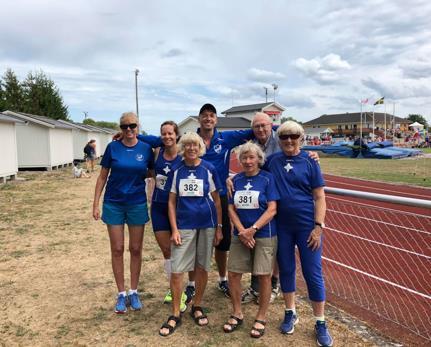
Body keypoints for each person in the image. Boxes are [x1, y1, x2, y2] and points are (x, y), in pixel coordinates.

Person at [136, 103, 255, 297]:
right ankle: (190, 283)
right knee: (188, 245)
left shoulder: (226, 138)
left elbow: (257, 131)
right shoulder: (189, 139)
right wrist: (132, 134)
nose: (208, 119)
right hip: (190, 201)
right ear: (199, 119)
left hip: (218, 195)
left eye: (211, 115)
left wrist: (281, 129)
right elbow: (161, 139)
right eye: (204, 115)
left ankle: (222, 279)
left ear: (216, 119)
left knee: (221, 243)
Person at [264, 121, 333, 347]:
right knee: (286, 269)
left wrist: (318, 226)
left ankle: (320, 321)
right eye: (284, 137)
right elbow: (252, 172)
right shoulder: (273, 161)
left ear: (301, 138)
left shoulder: (310, 161)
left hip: (306, 227)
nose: (289, 141)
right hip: (281, 226)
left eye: (294, 136)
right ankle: (290, 311)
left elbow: (320, 197)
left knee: (313, 272)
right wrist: (231, 179)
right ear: (279, 140)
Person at [159, 132, 223, 336]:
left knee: (202, 266)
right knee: (177, 270)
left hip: (207, 225)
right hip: (184, 225)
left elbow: (217, 200)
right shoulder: (177, 170)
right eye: (187, 145)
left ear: (200, 147)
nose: (192, 148)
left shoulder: (209, 168)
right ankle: (175, 313)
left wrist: (219, 227)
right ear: (183, 148)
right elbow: (171, 202)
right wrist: (174, 229)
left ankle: (197, 305)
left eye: (195, 145)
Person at [92, 112, 154, 314]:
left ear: (138, 126)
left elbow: (153, 174)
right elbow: (102, 177)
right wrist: (95, 204)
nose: (129, 130)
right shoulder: (113, 147)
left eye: (132, 126)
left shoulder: (146, 149)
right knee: (117, 248)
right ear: (120, 128)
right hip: (114, 203)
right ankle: (121, 293)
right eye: (124, 126)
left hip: (136, 203)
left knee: (135, 249)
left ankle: (134, 291)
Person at [223, 142, 279, 339]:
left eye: (251, 157)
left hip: (264, 234)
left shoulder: (267, 179)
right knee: (234, 273)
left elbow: (272, 209)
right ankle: (237, 312)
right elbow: (230, 208)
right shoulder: (235, 180)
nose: (248, 161)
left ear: (259, 159)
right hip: (240, 235)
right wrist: (242, 231)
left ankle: (261, 317)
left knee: (264, 276)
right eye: (244, 158)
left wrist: (253, 230)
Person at [150, 121, 195, 309]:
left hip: (179, 208)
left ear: (176, 135)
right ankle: (175, 289)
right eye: (164, 133)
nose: (167, 137)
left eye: (170, 133)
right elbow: (152, 172)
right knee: (167, 252)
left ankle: (190, 286)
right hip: (158, 206)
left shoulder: (183, 155)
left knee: (183, 251)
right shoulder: (157, 152)